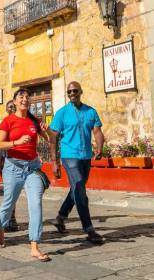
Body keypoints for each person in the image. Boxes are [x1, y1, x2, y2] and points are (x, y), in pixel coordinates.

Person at [0, 89, 51, 262]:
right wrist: (16, 142)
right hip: (13, 167)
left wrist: (47, 131)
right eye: (21, 97)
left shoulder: (34, 121)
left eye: (27, 97)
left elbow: (51, 139)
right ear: (15, 101)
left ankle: (34, 245)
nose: (25, 99)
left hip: (32, 168)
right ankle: (1, 230)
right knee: (8, 202)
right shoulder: (8, 121)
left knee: (36, 203)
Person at [48, 81, 105, 244]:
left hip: (86, 156)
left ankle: (60, 217)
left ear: (81, 92)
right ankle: (89, 229)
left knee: (77, 188)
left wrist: (100, 147)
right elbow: (53, 138)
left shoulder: (90, 111)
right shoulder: (62, 113)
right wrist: (54, 161)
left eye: (75, 91)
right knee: (80, 186)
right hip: (69, 155)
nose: (72, 93)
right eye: (69, 92)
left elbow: (97, 131)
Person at [0, 100, 19, 232]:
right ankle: (7, 220)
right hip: (5, 160)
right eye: (9, 107)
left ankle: (11, 218)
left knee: (15, 190)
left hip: (19, 159)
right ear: (6, 109)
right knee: (9, 190)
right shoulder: (1, 122)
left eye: (13, 106)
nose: (11, 108)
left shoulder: (20, 121)